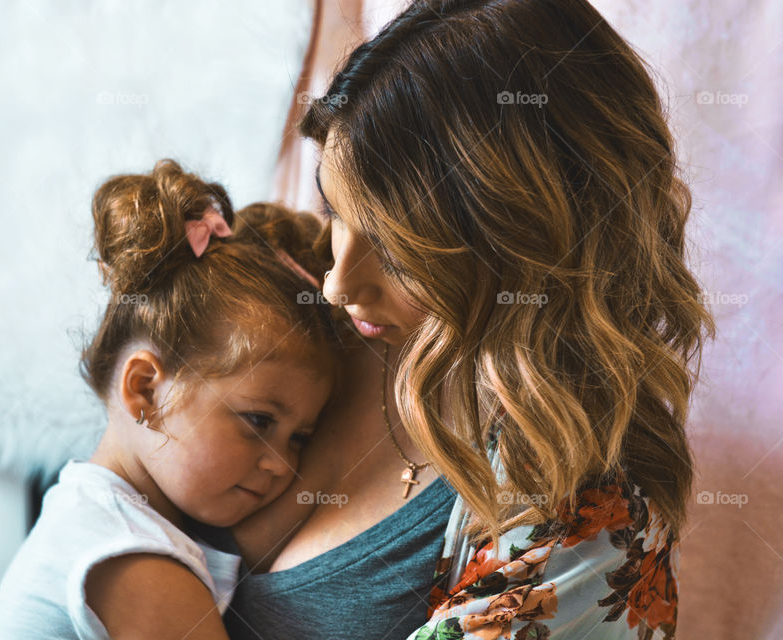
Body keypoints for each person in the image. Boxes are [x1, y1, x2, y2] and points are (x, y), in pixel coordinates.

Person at [225, 1, 714, 639]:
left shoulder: (590, 512)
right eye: (336, 211)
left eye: (399, 250)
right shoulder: (293, 317)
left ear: (528, 243)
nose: (337, 283)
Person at [0, 159, 340, 639]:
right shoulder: (133, 558)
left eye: (300, 437)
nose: (282, 465)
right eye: (257, 421)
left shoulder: (91, 513)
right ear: (145, 390)